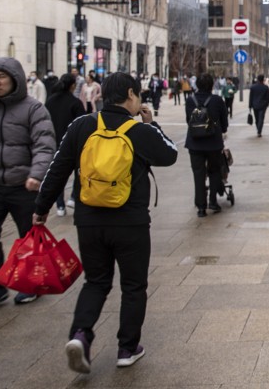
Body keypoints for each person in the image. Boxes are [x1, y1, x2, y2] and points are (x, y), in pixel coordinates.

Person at [33, 72, 178, 373]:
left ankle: (81, 335)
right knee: (133, 285)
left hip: (89, 221)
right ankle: (127, 348)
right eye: (138, 96)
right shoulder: (140, 131)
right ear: (130, 95)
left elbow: (58, 168)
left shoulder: (82, 125)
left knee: (96, 281)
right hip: (131, 222)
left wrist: (41, 208)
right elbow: (170, 154)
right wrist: (151, 124)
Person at [0, 57, 56, 314]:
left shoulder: (34, 109)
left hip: (24, 184)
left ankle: (31, 282)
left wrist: (37, 175)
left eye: (0, 77)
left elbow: (45, 145)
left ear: (14, 79)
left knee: (29, 237)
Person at [185, 74, 229, 216]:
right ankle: (213, 202)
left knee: (198, 174)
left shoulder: (190, 100)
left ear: (197, 84)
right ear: (212, 85)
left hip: (195, 143)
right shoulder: (217, 100)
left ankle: (201, 208)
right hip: (214, 143)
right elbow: (224, 122)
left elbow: (188, 120)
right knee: (214, 171)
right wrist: (221, 130)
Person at [44, 74, 86, 216]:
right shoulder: (75, 103)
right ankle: (74, 197)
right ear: (73, 85)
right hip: (72, 144)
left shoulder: (50, 101)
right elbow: (82, 125)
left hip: (53, 142)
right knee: (79, 171)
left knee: (57, 174)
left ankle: (60, 206)